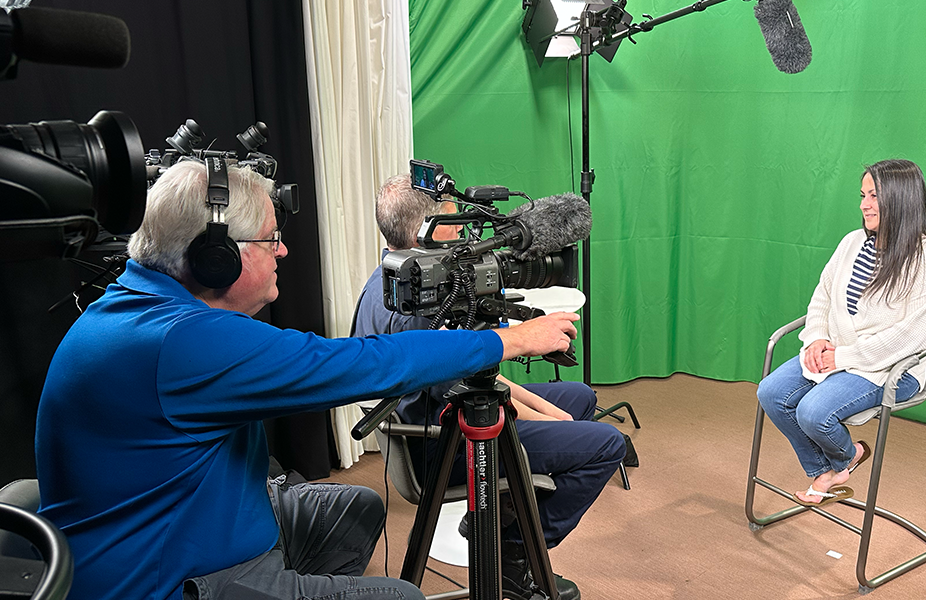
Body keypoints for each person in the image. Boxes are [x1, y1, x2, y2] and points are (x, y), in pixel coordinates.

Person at [34, 160, 580, 600]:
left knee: (356, 507)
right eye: (271, 240)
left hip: (191, 514)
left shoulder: (141, 301)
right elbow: (360, 365)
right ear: (216, 258)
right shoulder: (181, 342)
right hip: (166, 575)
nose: (284, 251)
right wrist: (509, 340)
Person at [353, 174, 626, 600]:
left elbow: (481, 375)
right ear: (425, 230)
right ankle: (516, 554)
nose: (463, 231)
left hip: (447, 410)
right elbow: (464, 386)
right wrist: (554, 420)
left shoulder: (391, 279)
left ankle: (502, 517)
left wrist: (558, 415)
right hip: (442, 442)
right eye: (454, 223)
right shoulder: (421, 309)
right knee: (608, 444)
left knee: (581, 397)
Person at [755, 159, 926, 507]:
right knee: (771, 392)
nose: (864, 205)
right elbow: (823, 296)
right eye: (862, 195)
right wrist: (816, 337)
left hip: (891, 367)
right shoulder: (852, 242)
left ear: (901, 198)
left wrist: (841, 357)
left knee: (814, 413)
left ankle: (840, 461)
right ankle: (835, 465)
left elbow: (911, 338)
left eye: (874, 196)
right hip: (839, 353)